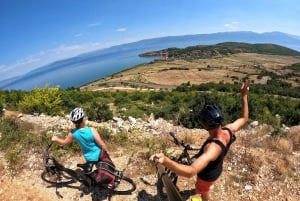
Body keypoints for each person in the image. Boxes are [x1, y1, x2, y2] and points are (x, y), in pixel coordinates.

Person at [150, 80, 249, 201]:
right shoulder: (228, 130)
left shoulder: (212, 148)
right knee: (204, 188)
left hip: (206, 177)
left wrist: (165, 161)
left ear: (205, 125)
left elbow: (191, 172)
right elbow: (244, 118)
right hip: (217, 169)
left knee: (203, 190)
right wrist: (244, 96)